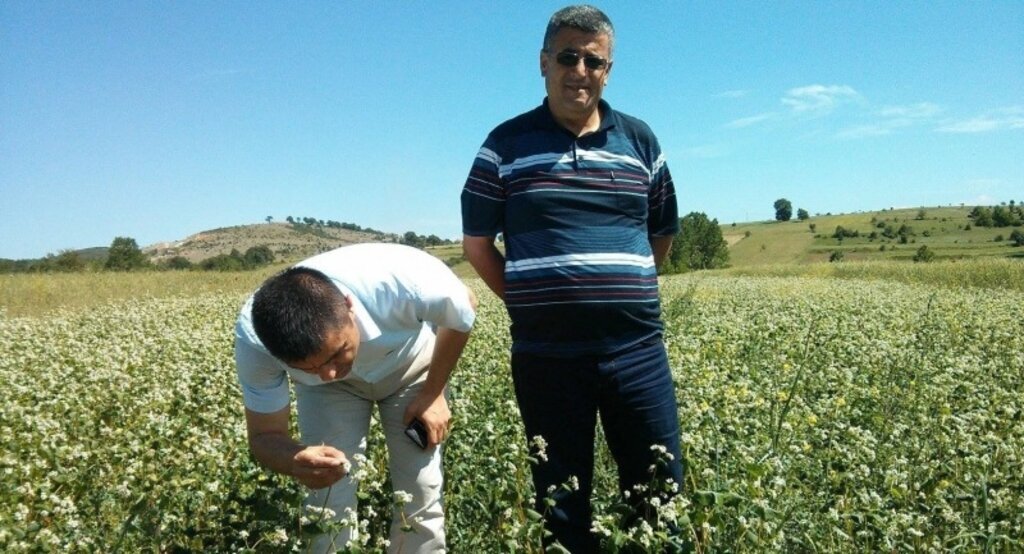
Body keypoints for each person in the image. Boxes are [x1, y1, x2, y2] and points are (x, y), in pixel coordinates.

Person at [460, 4, 683, 552]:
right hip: (547, 357)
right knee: (560, 505)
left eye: (593, 61)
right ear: (544, 62)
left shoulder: (640, 140)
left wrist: (626, 287)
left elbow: (662, 230)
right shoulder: (504, 145)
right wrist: (527, 301)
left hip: (637, 352)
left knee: (658, 497)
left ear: (608, 70)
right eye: (567, 57)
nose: (579, 71)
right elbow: (476, 245)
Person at [233, 243, 476, 553]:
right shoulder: (255, 341)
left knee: (421, 491)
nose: (330, 373)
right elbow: (264, 436)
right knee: (326, 498)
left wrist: (433, 393)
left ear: (350, 307)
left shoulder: (404, 282)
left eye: (336, 354)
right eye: (308, 367)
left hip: (410, 368)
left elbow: (465, 306)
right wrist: (294, 459)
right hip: (328, 395)